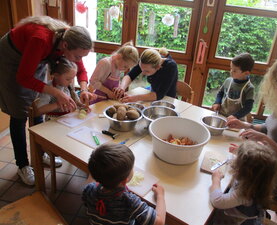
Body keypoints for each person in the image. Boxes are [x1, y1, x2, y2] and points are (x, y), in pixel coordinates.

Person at [0, 16, 93, 185]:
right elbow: (23, 77)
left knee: (36, 104)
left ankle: (39, 153)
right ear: (65, 46)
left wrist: (84, 90)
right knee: (19, 112)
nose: (79, 60)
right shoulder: (40, 40)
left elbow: (81, 70)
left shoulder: (68, 40)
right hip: (9, 58)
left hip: (33, 56)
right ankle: (22, 165)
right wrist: (56, 93)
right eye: (77, 56)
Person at [226, 53, 277, 200]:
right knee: (229, 175)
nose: (275, 86)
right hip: (263, 167)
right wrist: (244, 125)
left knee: (229, 187)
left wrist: (268, 141)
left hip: (276, 181)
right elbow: (267, 128)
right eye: (275, 80)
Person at [82, 143, 166, 225]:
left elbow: (86, 202)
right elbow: (159, 222)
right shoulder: (130, 202)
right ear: (125, 181)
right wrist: (160, 196)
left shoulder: (89, 189)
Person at [35, 57, 90, 167]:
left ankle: (78, 157)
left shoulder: (67, 86)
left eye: (72, 79)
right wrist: (57, 104)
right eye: (68, 79)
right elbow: (38, 111)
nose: (71, 82)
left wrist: (82, 106)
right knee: (59, 147)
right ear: (55, 75)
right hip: (52, 123)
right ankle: (49, 154)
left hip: (67, 121)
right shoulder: (49, 89)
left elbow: (75, 100)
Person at [209, 141, 277, 225]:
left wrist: (216, 180)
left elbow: (218, 201)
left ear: (244, 171)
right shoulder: (257, 180)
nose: (234, 160)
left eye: (237, 160)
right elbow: (251, 163)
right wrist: (239, 152)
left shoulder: (245, 194)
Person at [211, 53, 255, 119]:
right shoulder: (228, 81)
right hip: (221, 115)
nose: (231, 72)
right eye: (231, 68)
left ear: (246, 73)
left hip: (237, 120)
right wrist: (217, 102)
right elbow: (220, 93)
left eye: (234, 71)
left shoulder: (249, 88)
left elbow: (248, 108)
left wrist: (235, 116)